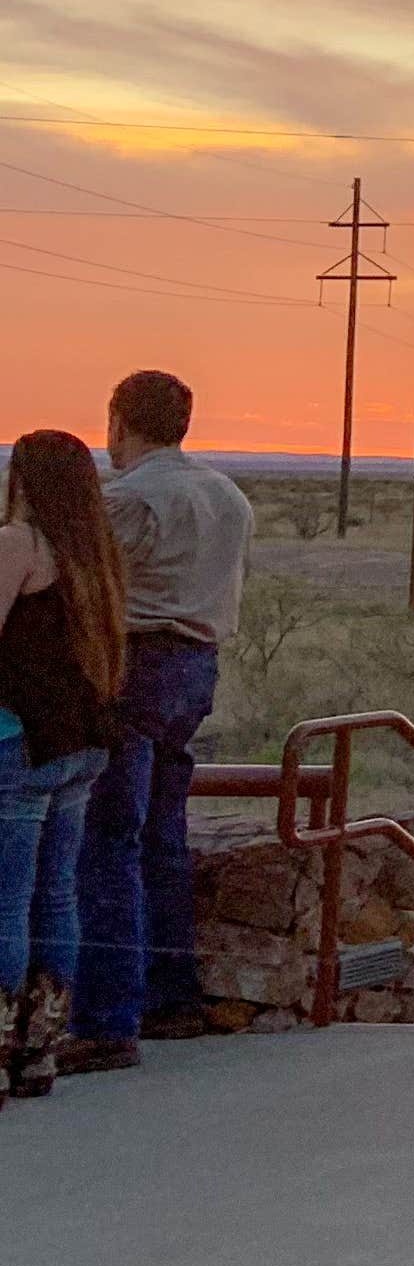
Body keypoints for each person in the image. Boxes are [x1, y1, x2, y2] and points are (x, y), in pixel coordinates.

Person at [67, 370, 250, 1073]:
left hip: (134, 663)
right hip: (196, 664)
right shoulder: (225, 494)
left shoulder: (129, 498)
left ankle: (108, 1016)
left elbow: (87, 583)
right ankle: (173, 997)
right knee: (162, 834)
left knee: (108, 839)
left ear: (118, 421)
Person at [1, 429, 126, 1099]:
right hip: (79, 739)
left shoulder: (18, 543)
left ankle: (0, 1049)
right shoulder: (95, 554)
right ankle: (40, 1049)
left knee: (7, 900)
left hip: (19, 740)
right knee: (56, 895)